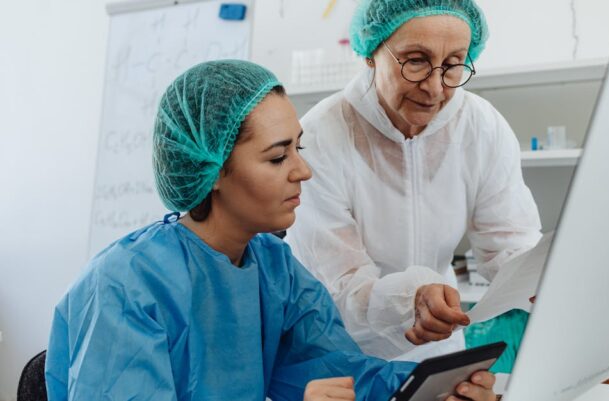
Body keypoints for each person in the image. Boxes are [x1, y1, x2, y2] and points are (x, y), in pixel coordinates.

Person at [44, 60, 497, 401]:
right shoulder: (125, 286)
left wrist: (434, 388)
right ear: (212, 170)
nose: (303, 171)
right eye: (278, 157)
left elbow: (336, 372)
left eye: (298, 148)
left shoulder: (274, 268)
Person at [286, 0, 543, 361]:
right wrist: (410, 302)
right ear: (371, 53)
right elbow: (338, 285)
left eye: (453, 65)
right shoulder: (320, 137)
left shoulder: (480, 125)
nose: (435, 88)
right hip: (345, 351)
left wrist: (538, 279)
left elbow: (509, 243)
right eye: (416, 61)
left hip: (439, 343)